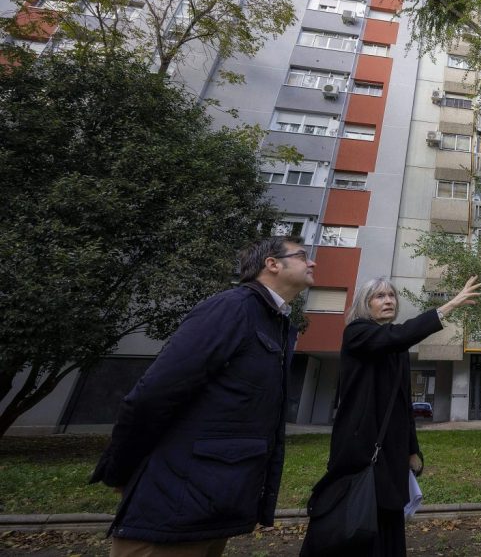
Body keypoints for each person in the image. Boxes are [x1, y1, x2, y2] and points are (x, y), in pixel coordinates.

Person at [89, 236, 316, 557]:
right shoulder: (232, 307)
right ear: (272, 264)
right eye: (303, 256)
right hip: (171, 509)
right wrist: (121, 469)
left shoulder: (274, 322)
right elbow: (153, 394)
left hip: (208, 508)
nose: (312, 262)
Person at [327, 275, 481, 556]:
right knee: (360, 519)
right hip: (360, 449)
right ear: (365, 303)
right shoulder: (357, 333)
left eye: (391, 296)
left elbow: (402, 405)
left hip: (391, 452)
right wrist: (450, 305)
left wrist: (413, 449)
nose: (388, 300)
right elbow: (398, 335)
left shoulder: (395, 350)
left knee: (390, 519)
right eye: (379, 296)